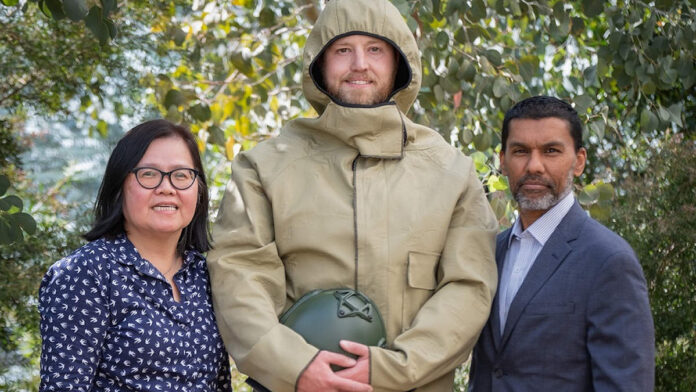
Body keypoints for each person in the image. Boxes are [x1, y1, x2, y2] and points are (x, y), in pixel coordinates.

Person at [207, 0, 498, 391]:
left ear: (399, 62)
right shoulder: (264, 167)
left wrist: (392, 368)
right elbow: (239, 276)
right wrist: (298, 367)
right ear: (319, 64)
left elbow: (469, 287)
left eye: (375, 49)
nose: (359, 64)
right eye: (343, 50)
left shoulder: (451, 172)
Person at [468, 96, 655, 391]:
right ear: (502, 161)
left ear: (579, 161)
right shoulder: (490, 251)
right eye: (520, 151)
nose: (534, 165)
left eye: (551, 151)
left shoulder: (609, 260)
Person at [38, 119, 232, 391]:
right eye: (149, 174)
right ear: (120, 186)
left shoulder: (206, 274)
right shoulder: (85, 273)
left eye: (181, 175)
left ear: (198, 189)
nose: (167, 187)